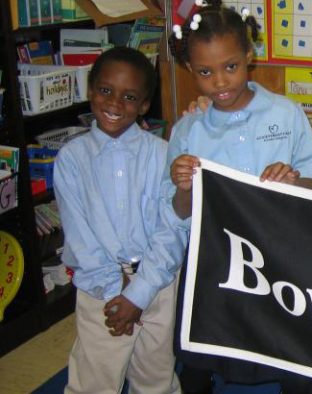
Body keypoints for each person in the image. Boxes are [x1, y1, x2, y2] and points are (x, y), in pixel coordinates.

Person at [166, 1, 312, 392]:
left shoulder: (285, 114)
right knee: (198, 358)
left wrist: (292, 181)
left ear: (249, 57)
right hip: (213, 263)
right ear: (190, 70)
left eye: (230, 66)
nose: (219, 82)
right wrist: (185, 187)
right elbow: (179, 211)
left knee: (292, 354)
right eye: (205, 72)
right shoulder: (188, 130)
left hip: (278, 260)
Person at [55, 47, 187, 393]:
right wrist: (120, 293)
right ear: (90, 90)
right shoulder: (72, 159)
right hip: (102, 291)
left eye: (129, 97)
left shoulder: (162, 156)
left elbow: (171, 229)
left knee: (156, 378)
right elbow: (79, 236)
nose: (114, 103)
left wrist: (140, 292)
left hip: (156, 285)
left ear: (144, 105)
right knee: (94, 381)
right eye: (105, 91)